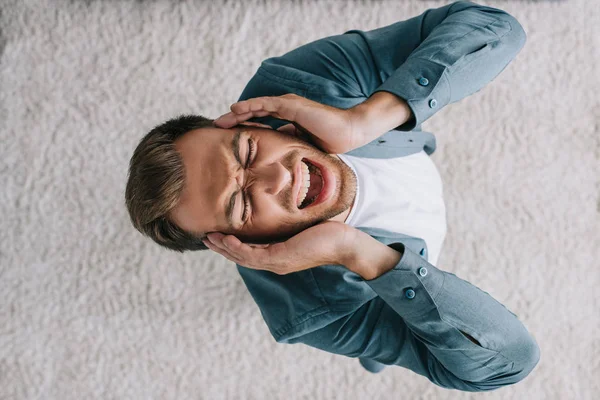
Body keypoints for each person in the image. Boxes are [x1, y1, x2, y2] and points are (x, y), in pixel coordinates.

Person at [125, 0, 539, 392]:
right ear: (241, 244)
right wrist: (357, 253)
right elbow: (508, 363)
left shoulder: (293, 85)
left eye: (248, 151)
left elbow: (497, 27)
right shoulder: (310, 314)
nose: (277, 176)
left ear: (248, 124)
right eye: (243, 204)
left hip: (409, 154)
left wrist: (362, 121)